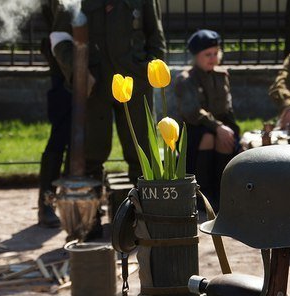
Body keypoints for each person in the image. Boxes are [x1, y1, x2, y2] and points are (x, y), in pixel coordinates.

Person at [49, 0, 166, 237]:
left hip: (135, 82)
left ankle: (143, 221)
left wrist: (146, 71)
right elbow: (59, 38)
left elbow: (156, 37)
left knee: (141, 150)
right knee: (90, 152)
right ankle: (87, 222)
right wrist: (78, 71)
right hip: (94, 83)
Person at [174, 29, 239, 210]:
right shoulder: (186, 79)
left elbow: (227, 107)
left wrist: (231, 128)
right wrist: (217, 126)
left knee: (225, 139)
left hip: (219, 125)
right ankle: (203, 193)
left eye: (215, 53)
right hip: (195, 127)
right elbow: (192, 111)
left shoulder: (222, 75)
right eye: (207, 54)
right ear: (196, 56)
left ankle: (221, 192)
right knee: (208, 137)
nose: (212, 58)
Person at [37, 0, 71, 228]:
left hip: (94, 65)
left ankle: (73, 201)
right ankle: (47, 202)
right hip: (63, 70)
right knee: (60, 137)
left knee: (87, 142)